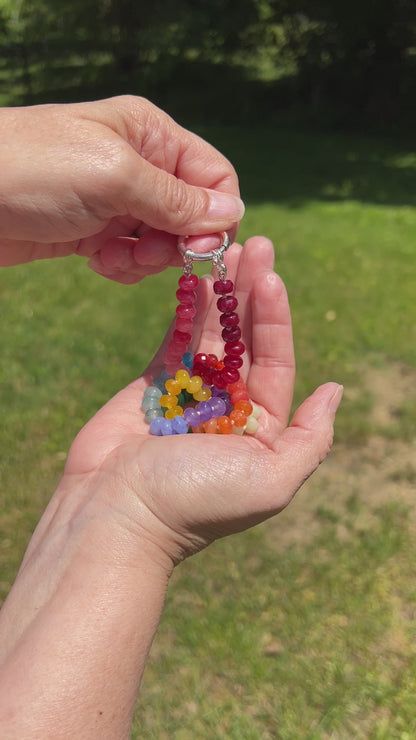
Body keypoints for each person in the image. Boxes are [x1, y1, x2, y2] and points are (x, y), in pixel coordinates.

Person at [0, 96, 343, 738]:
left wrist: (131, 517)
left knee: (225, 321)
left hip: (196, 402)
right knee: (217, 319)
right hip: (186, 401)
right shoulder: (181, 399)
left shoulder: (207, 399)